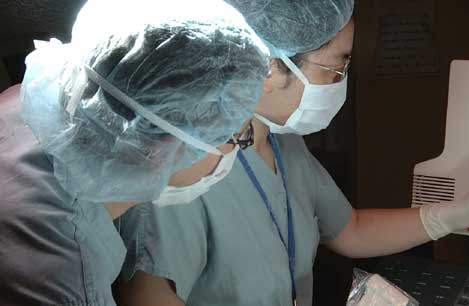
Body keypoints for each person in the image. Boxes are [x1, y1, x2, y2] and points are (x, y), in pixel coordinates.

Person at [114, 1, 469, 305]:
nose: (341, 82)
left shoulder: (283, 141)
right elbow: (146, 293)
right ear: (269, 68)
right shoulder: (189, 168)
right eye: (338, 66)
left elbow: (347, 229)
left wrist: (454, 214)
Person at [0, 0, 271, 304]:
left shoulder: (28, 103)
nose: (237, 153)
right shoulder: (65, 279)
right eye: (237, 138)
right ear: (159, 150)